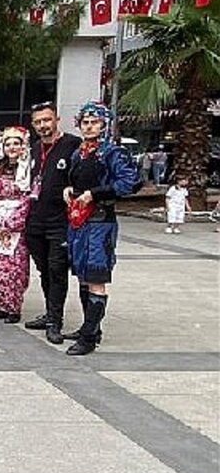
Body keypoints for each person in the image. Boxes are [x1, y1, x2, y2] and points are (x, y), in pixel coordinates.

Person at [63, 101, 140, 355]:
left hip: (100, 222)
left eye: (94, 122)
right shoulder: (78, 152)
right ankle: (90, 328)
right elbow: (76, 180)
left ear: (104, 124)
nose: (88, 126)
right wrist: (69, 189)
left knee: (96, 277)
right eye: (85, 122)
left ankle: (88, 338)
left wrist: (94, 194)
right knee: (83, 276)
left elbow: (129, 182)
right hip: (79, 221)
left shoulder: (113, 153)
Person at [23, 102, 82, 343]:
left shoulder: (72, 145)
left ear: (56, 119)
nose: (43, 125)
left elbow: (82, 176)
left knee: (57, 270)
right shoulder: (35, 148)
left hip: (60, 221)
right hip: (36, 220)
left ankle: (55, 322)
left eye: (47, 120)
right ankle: (49, 313)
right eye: (38, 122)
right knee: (44, 270)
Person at [0, 126, 32, 324]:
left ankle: (13, 307)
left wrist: (9, 225)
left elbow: (28, 200)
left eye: (16, 143)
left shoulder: (27, 170)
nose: (12, 147)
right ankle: (1, 305)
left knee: (13, 269)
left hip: (14, 229)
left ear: (23, 146)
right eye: (8, 144)